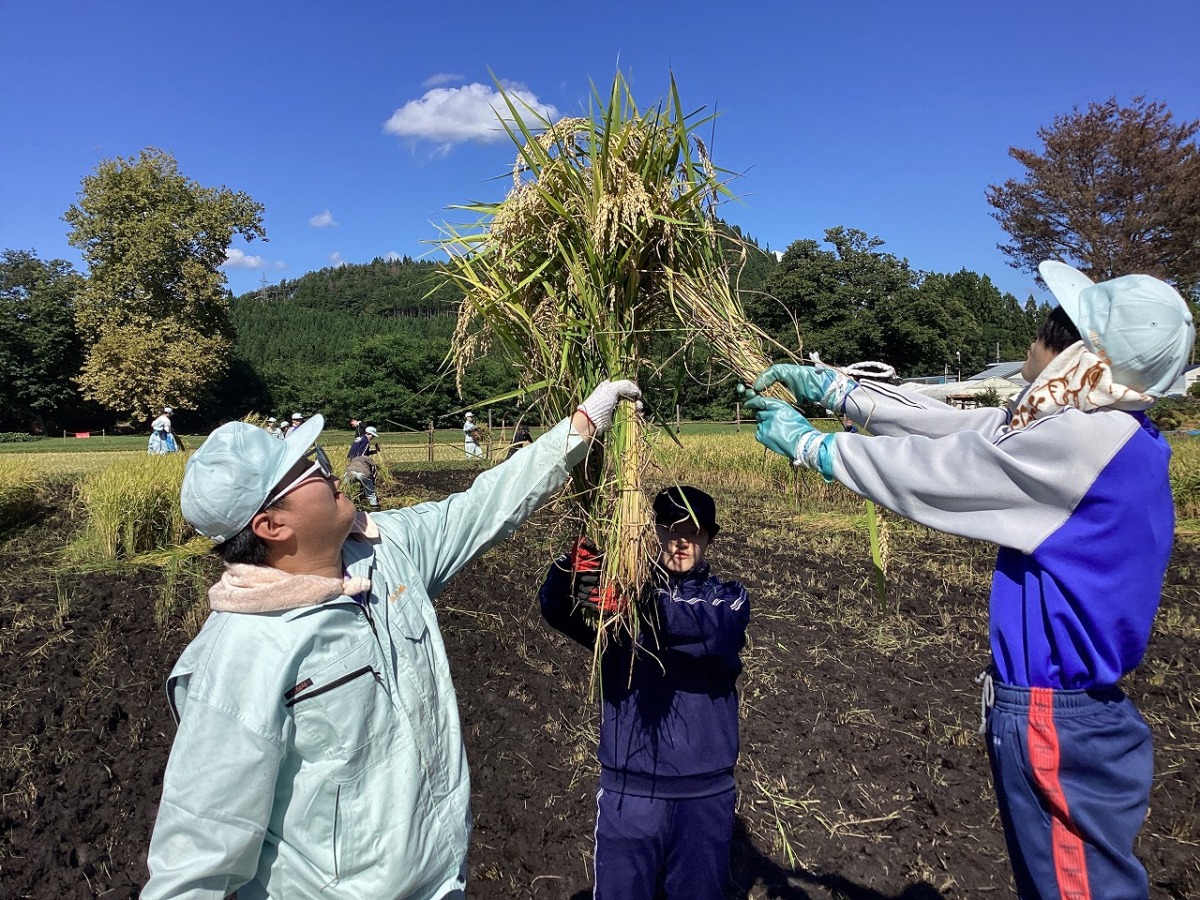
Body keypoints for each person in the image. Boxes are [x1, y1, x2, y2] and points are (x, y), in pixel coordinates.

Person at [743, 261, 1195, 900]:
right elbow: (959, 427)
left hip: (1056, 720)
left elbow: (947, 465)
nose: (1030, 349)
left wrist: (818, 448)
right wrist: (837, 391)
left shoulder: (1083, 445)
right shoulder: (1103, 436)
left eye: (1044, 332)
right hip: (1063, 717)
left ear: (1076, 355)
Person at [142, 379, 640, 900]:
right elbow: (193, 862)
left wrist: (581, 425)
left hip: (442, 880)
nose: (324, 467)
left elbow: (481, 507)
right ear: (270, 524)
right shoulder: (240, 656)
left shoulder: (387, 550)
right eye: (303, 470)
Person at [539, 486, 749, 900]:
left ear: (709, 539)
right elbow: (556, 607)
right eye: (671, 529)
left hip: (703, 796)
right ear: (650, 533)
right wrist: (572, 565)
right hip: (629, 796)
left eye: (694, 531)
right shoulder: (614, 606)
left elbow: (712, 633)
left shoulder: (726, 599)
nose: (682, 540)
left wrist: (636, 602)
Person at [345, 425, 382, 510]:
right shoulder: (366, 440)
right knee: (371, 494)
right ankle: (375, 509)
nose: (372, 438)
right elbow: (362, 455)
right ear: (368, 433)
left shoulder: (358, 439)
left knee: (347, 491)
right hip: (363, 471)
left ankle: (348, 508)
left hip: (350, 469)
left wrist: (374, 451)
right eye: (372, 436)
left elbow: (358, 453)